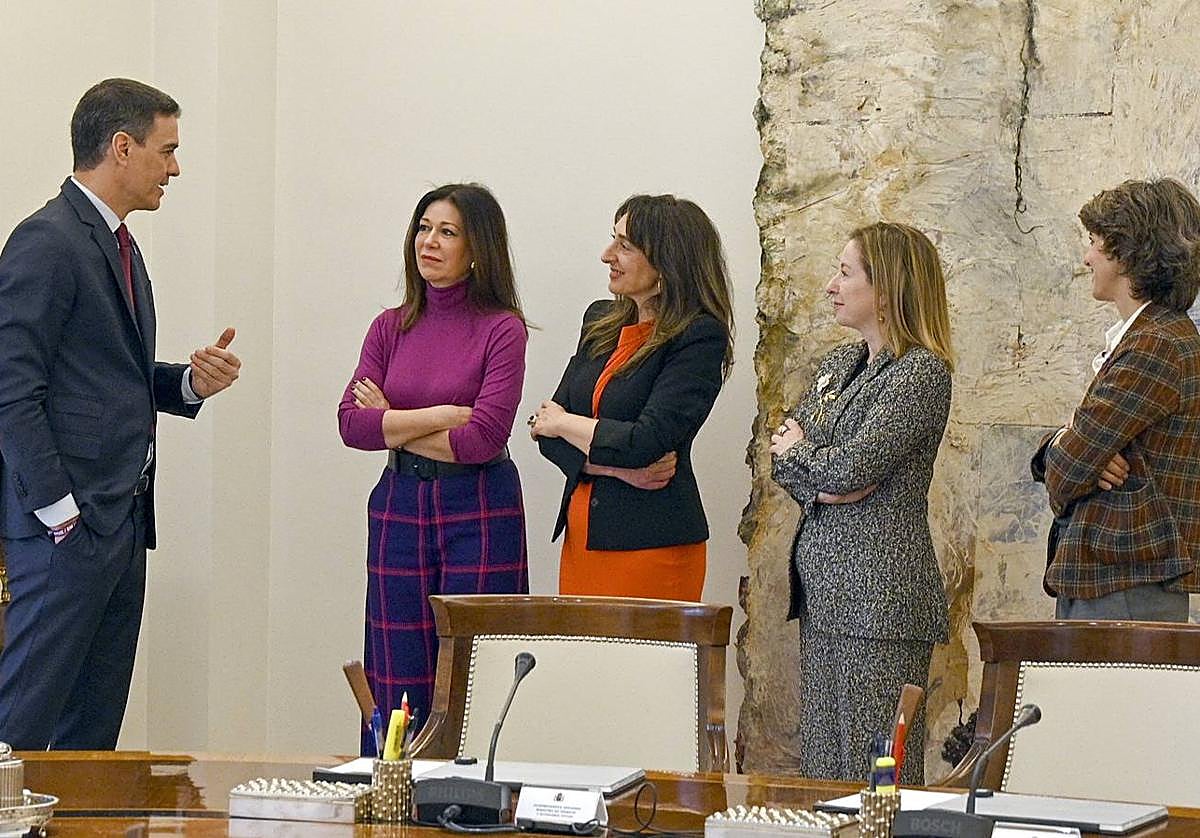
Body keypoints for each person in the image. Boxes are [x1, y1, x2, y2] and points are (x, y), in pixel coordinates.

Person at [0, 78, 242, 749]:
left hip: (122, 526)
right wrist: (59, 511)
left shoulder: (118, 245)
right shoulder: (47, 240)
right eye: (167, 150)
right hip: (68, 530)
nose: (176, 167)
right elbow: (12, 390)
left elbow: (105, 381)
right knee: (18, 729)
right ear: (122, 147)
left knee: (91, 742)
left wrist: (188, 383)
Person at [338, 183, 529, 755]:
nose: (429, 241)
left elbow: (483, 439)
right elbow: (352, 426)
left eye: (447, 231)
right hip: (399, 503)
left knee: (475, 664)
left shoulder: (503, 328)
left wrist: (392, 420)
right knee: (397, 665)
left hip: (480, 506)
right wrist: (439, 415)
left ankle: (472, 796)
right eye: (424, 228)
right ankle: (393, 791)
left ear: (477, 249)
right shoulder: (389, 327)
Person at [769, 222, 954, 784]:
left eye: (846, 273)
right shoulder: (837, 366)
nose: (830, 285)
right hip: (826, 597)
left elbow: (854, 467)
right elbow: (782, 455)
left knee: (877, 775)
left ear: (889, 287)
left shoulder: (920, 372)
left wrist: (819, 462)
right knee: (826, 773)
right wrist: (819, 472)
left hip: (879, 602)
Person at [531, 194, 734, 601]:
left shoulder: (698, 337)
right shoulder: (599, 320)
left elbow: (645, 442)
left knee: (642, 664)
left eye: (625, 246)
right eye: (613, 240)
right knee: (585, 662)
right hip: (582, 537)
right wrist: (612, 469)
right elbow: (544, 435)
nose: (608, 255)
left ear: (668, 262)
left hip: (652, 546)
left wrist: (565, 423)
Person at [1031, 178, 1200, 621]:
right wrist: (1066, 445)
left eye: (1093, 242)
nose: (1086, 257)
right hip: (1118, 578)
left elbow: (1066, 473)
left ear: (1127, 253)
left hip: (1125, 580)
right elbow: (1072, 454)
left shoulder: (1156, 343)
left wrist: (1072, 451)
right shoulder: (1151, 336)